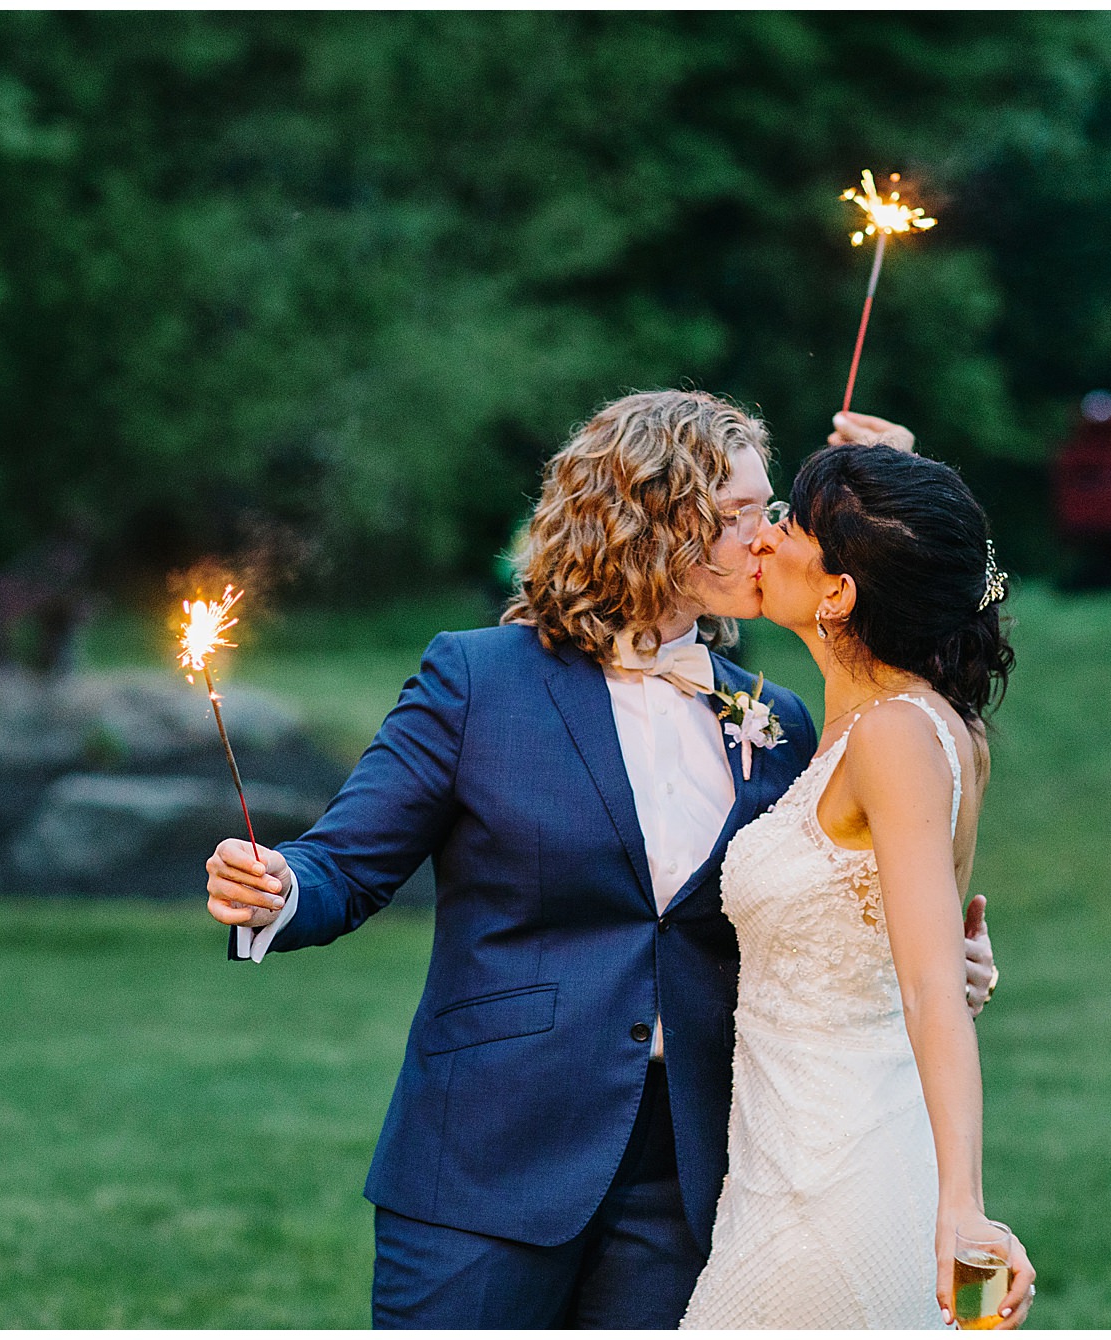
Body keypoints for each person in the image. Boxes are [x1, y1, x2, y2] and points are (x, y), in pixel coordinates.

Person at [205, 392, 996, 1329]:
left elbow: (837, 879)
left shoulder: (782, 719)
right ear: (649, 522)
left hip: (694, 1167)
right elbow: (346, 863)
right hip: (486, 1163)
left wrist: (931, 959)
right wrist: (281, 888)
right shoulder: (476, 680)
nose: (763, 538)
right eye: (738, 514)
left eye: (768, 511)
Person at [680, 442, 1038, 1328]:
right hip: (787, 1165)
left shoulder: (894, 739)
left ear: (839, 593)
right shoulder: (912, 726)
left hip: (830, 1181)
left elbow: (927, 985)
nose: (760, 540)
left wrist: (963, 1205)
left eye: (790, 526)